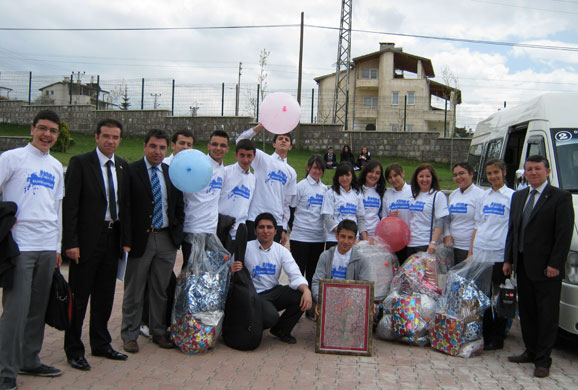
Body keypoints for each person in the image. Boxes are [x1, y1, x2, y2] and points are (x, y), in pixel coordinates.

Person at [0, 110, 64, 390]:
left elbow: (56, 208)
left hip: (47, 246)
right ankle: (5, 373)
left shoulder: (56, 167)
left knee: (37, 309)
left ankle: (30, 359)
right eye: (42, 128)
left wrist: (58, 245)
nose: (47, 135)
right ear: (32, 129)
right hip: (20, 247)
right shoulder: (11, 159)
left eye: (53, 130)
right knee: (15, 311)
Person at [63, 119, 131, 371]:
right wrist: (70, 242)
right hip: (86, 241)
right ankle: (73, 349)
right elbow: (70, 206)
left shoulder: (122, 166)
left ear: (120, 140)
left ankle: (101, 344)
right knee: (79, 297)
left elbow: (124, 207)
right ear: (96, 137)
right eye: (106, 136)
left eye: (115, 137)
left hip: (112, 239)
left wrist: (126, 241)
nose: (110, 141)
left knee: (104, 296)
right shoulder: (81, 164)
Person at [504, 155, 574, 378]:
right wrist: (509, 260)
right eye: (529, 169)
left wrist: (555, 263)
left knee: (547, 314)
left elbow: (563, 235)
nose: (533, 173)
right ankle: (531, 351)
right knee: (527, 311)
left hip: (547, 269)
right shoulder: (519, 196)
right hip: (522, 264)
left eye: (537, 169)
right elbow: (513, 230)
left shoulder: (560, 197)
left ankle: (543, 360)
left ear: (548, 171)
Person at [121, 129, 184, 353]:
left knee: (160, 290)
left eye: (162, 148)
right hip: (141, 239)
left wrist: (176, 236)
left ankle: (159, 331)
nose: (157, 151)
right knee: (134, 290)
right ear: (144, 146)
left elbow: (178, 206)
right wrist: (126, 240)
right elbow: (125, 208)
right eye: (153, 146)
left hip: (166, 238)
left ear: (167, 150)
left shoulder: (171, 172)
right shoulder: (131, 171)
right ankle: (130, 334)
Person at [230, 213, 312, 344]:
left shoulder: (282, 251)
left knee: (299, 295)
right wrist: (232, 271)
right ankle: (252, 325)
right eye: (261, 227)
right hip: (252, 295)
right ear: (255, 230)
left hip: (273, 292)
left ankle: (281, 330)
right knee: (270, 316)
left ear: (275, 231)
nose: (265, 231)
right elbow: (230, 275)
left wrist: (306, 291)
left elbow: (295, 274)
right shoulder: (245, 248)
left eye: (269, 227)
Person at [468, 159, 514, 351]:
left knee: (499, 297)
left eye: (496, 172)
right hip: (481, 252)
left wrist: (508, 258)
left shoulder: (512, 196)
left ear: (504, 172)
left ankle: (498, 335)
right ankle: (485, 333)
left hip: (499, 254)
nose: (493, 176)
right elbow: (478, 225)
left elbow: (513, 228)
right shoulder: (484, 197)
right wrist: (471, 250)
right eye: (489, 173)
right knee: (483, 297)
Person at [236, 123, 297, 244]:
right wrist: (260, 126)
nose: (283, 140)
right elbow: (241, 141)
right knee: (250, 257)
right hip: (255, 217)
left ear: (290, 146)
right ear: (274, 144)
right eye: (280, 138)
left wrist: (284, 227)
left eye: (287, 139)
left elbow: (287, 202)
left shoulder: (292, 172)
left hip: (276, 222)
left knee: (270, 259)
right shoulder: (262, 159)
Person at [182, 130, 229, 267]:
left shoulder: (222, 170)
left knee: (205, 274)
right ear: (208, 146)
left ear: (227, 149)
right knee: (191, 273)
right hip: (193, 228)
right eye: (214, 144)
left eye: (222, 145)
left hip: (211, 230)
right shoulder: (198, 165)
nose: (218, 148)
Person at [289, 155, 327, 313]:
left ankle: (311, 308)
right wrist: (294, 228)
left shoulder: (325, 189)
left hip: (318, 238)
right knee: (298, 272)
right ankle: (295, 308)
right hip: (300, 237)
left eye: (319, 168)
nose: (316, 171)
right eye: (314, 168)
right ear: (308, 168)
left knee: (313, 274)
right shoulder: (301, 186)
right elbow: (291, 208)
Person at [311, 220, 372, 317]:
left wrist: (352, 303)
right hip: (328, 300)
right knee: (312, 308)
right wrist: (320, 300)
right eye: (343, 236)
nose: (346, 241)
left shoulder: (362, 259)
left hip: (351, 302)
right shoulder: (326, 256)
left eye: (350, 238)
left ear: (355, 239)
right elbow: (316, 282)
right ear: (337, 236)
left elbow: (366, 286)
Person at [218, 139, 256, 251]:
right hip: (220, 229)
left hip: (240, 232)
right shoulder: (225, 172)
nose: (245, 159)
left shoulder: (253, 179)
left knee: (236, 266)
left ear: (254, 156)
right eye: (242, 155)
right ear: (235, 155)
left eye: (249, 156)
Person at [444, 162, 485, 264]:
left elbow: (479, 225)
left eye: (461, 173)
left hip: (468, 249)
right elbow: (447, 219)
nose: (458, 177)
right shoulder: (453, 195)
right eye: (455, 175)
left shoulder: (481, 195)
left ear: (471, 174)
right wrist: (447, 235)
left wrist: (470, 253)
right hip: (451, 248)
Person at [321, 162, 366, 248]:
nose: (344, 178)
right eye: (341, 175)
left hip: (353, 240)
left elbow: (360, 218)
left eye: (347, 175)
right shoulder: (331, 193)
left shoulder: (357, 194)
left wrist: (365, 238)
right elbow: (328, 218)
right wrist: (344, 236)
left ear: (352, 176)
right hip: (334, 239)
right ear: (337, 177)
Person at [407, 163, 449, 255]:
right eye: (421, 176)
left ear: (432, 178)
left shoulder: (438, 195)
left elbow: (440, 221)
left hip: (426, 244)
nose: (424, 179)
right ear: (416, 178)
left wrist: (433, 242)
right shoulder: (412, 196)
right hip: (411, 244)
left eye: (428, 176)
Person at [382, 163, 413, 260]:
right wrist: (389, 218)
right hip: (395, 241)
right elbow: (383, 218)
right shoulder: (387, 194)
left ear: (402, 174)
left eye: (395, 175)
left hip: (412, 239)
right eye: (390, 177)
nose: (393, 179)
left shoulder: (413, 190)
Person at [358, 160, 386, 241]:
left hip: (377, 237)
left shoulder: (383, 192)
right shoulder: (356, 190)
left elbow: (383, 215)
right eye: (371, 172)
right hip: (359, 235)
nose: (374, 175)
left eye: (377, 173)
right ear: (365, 172)